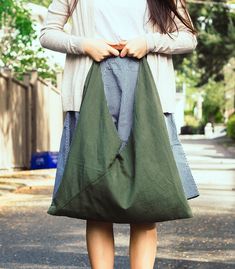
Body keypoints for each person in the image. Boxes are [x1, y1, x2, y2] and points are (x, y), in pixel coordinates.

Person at [39, 0, 200, 268]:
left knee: (148, 201)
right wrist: (85, 45)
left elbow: (187, 38)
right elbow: (47, 33)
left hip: (149, 95)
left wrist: (149, 42)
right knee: (97, 201)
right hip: (90, 90)